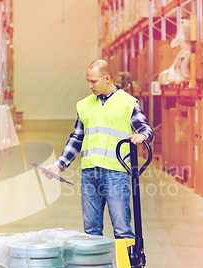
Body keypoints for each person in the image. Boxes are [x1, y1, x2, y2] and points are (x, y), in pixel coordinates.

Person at [45, 59, 154, 239]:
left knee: (122, 230)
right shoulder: (85, 105)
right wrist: (59, 165)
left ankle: (127, 267)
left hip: (116, 174)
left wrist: (142, 136)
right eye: (87, 81)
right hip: (90, 174)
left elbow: (146, 129)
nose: (89, 86)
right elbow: (77, 137)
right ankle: (97, 267)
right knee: (91, 232)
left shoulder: (127, 103)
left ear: (107, 78)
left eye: (93, 81)